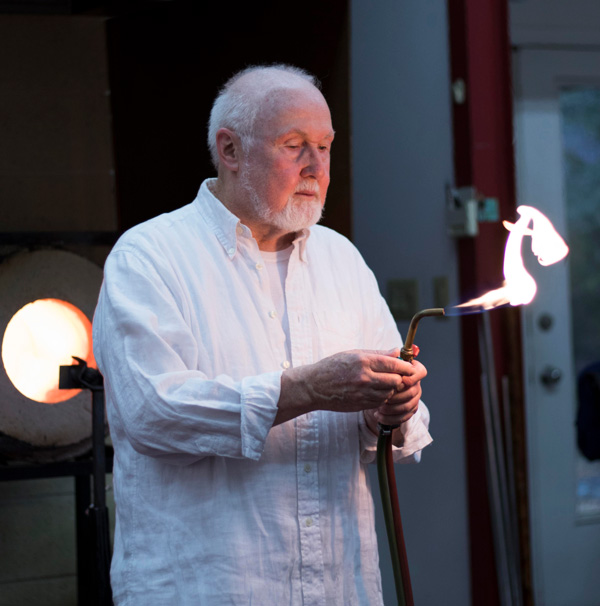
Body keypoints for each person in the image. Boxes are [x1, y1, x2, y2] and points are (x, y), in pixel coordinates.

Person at [93, 64, 432, 606]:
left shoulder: (340, 258)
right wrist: (307, 389)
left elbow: (400, 430)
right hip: (210, 588)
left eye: (324, 146)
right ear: (229, 150)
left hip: (338, 585)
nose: (316, 165)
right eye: (294, 144)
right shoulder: (150, 256)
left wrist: (393, 406)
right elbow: (152, 413)